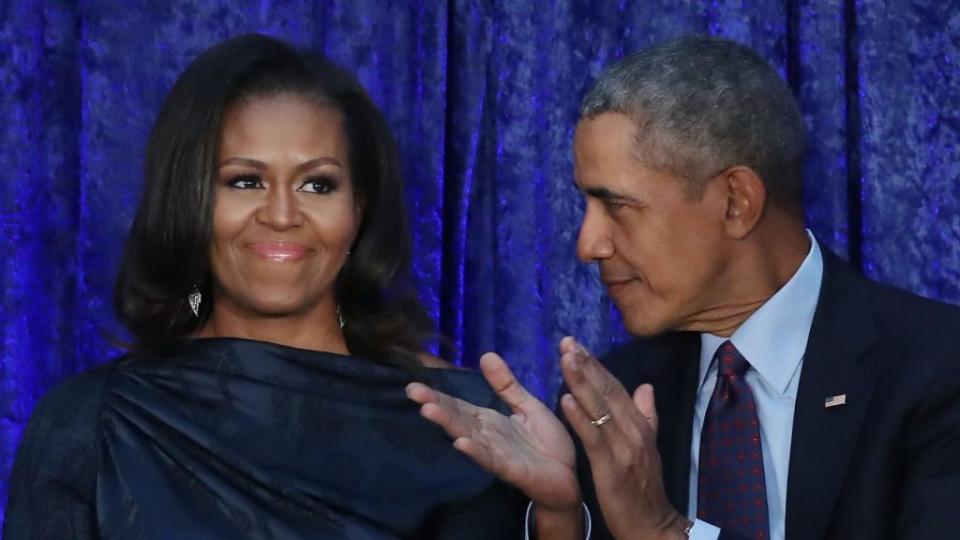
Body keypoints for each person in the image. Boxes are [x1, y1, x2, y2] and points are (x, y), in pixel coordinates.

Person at [407, 36, 960, 540]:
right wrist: (560, 518)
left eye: (617, 206)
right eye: (585, 205)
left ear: (735, 202)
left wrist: (663, 531)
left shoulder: (937, 370)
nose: (588, 244)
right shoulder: (612, 402)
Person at [4, 34, 523, 539]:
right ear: (190, 201)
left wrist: (564, 519)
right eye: (244, 181)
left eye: (317, 184)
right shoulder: (90, 423)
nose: (281, 215)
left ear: (357, 212)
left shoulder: (463, 423)